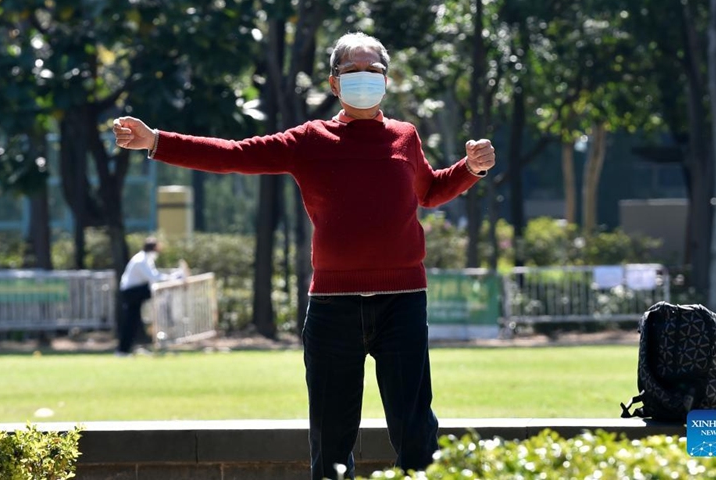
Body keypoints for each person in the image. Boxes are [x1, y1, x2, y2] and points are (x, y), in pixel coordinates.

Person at [113, 31, 495, 479]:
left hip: (403, 301)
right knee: (331, 445)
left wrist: (470, 169)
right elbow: (234, 155)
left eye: (374, 71)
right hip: (334, 309)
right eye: (353, 71)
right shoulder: (310, 140)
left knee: (417, 436)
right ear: (334, 84)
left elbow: (429, 191)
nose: (365, 79)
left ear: (387, 81)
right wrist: (157, 141)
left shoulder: (405, 137)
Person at [117, 237, 184, 356]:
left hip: (134, 292)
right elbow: (153, 278)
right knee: (130, 321)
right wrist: (171, 278)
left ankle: (124, 350)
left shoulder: (147, 259)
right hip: (131, 292)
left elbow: (155, 276)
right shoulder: (141, 260)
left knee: (132, 321)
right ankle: (122, 350)